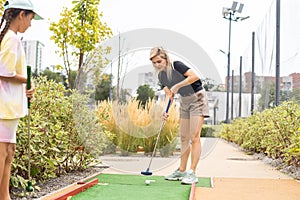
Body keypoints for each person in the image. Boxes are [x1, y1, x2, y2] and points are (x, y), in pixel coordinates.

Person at [0, 0, 42, 199]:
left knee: (9, 151)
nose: (30, 24)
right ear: (21, 14)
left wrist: (26, 88)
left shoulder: (9, 37)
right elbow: (4, 72)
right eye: (31, 19)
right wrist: (28, 80)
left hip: (9, 106)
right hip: (4, 107)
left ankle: (4, 196)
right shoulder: (12, 39)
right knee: (2, 153)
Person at [149, 47, 210, 184]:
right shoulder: (161, 76)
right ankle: (181, 171)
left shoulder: (176, 65)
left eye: (159, 61)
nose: (157, 65)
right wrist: (165, 111)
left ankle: (192, 172)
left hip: (197, 99)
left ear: (166, 59)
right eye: (154, 63)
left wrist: (177, 86)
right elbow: (169, 95)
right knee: (183, 137)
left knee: (194, 137)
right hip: (184, 102)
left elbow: (194, 76)